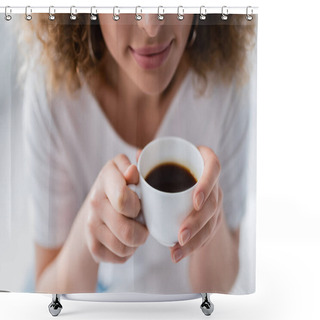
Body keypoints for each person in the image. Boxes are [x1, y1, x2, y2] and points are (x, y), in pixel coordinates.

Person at [22, 13, 256, 294]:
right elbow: (46, 293)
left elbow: (220, 285)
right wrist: (88, 235)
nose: (151, 26)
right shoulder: (54, 93)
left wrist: (210, 213)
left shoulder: (224, 80)